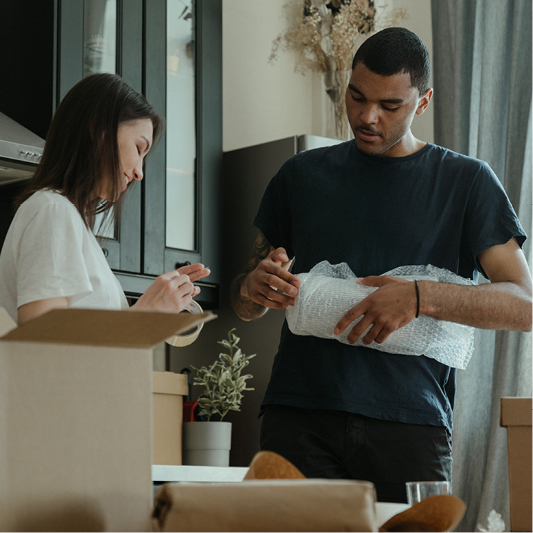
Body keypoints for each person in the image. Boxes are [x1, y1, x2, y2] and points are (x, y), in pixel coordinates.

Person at [231, 27, 532, 503]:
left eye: (390, 106)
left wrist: (418, 296)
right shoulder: (300, 176)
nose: (367, 117)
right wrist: (253, 288)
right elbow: (245, 304)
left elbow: (524, 304)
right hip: (298, 420)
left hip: (411, 425)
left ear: (424, 101)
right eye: (356, 97)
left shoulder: (467, 182)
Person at [0, 73, 209, 325]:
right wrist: (146, 314)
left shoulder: (71, 221)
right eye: (138, 149)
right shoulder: (52, 210)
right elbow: (43, 344)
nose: (139, 173)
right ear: (99, 131)